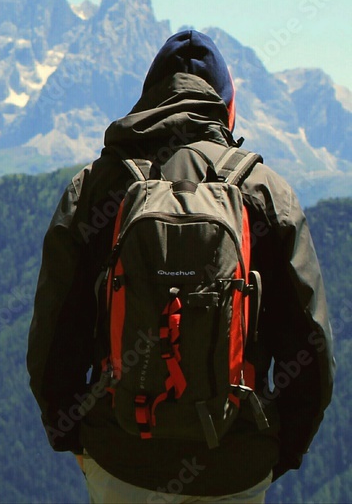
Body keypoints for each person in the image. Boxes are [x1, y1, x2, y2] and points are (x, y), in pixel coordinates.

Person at [27, 29, 335, 503]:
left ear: (147, 99)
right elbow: (311, 353)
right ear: (227, 108)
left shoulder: (94, 188)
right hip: (235, 466)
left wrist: (74, 434)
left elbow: (53, 338)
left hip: (120, 460)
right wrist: (276, 451)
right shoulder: (267, 194)